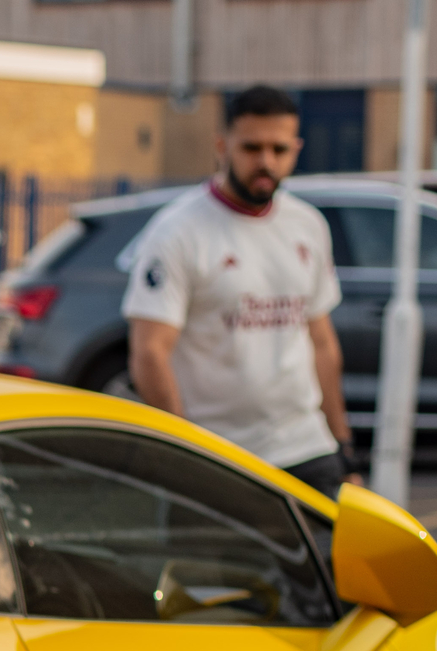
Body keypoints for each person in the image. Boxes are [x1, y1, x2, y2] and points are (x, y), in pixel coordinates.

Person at [122, 86, 360, 497]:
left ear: (296, 149)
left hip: (307, 448)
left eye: (278, 149)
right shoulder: (177, 232)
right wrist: (187, 453)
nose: (265, 161)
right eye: (252, 148)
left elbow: (321, 342)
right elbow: (149, 352)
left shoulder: (309, 225)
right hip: (219, 456)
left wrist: (343, 448)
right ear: (222, 145)